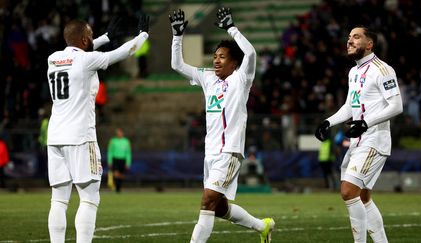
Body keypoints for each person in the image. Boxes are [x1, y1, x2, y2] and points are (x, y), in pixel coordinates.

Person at [170, 8, 275, 243]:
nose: (216, 60)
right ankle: (263, 226)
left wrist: (232, 28)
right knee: (218, 208)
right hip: (211, 154)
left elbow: (251, 53)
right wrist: (177, 36)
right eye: (215, 56)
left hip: (229, 153)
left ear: (234, 63)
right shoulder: (208, 78)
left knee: (207, 201)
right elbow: (177, 65)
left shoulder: (241, 79)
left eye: (222, 57)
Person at [46, 15, 149, 243]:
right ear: (84, 40)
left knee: (59, 200)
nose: (93, 39)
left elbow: (80, 52)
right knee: (90, 198)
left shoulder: (53, 59)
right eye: (90, 36)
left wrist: (104, 37)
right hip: (81, 137)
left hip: (55, 138)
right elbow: (125, 52)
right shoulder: (87, 61)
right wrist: (143, 35)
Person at [315, 26, 403, 243]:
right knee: (362, 197)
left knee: (347, 191)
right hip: (358, 142)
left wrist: (365, 123)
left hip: (374, 141)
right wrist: (329, 121)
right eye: (348, 38)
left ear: (369, 44)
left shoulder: (383, 70)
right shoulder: (353, 72)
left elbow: (397, 106)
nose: (349, 41)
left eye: (356, 37)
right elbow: (349, 106)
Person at [107, 127, 132, 193]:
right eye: (118, 132)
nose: (119, 134)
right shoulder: (113, 141)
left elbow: (128, 152)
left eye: (120, 132)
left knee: (121, 175)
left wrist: (128, 162)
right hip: (115, 159)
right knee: (116, 174)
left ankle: (118, 187)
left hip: (123, 160)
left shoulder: (126, 141)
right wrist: (110, 161)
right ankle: (117, 188)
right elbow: (110, 151)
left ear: (122, 133)